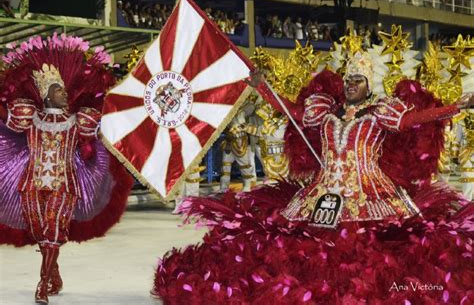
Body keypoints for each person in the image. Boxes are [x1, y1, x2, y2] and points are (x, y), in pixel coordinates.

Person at [152, 52, 474, 304]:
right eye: (349, 79)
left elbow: (414, 120)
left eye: (359, 79)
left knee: (370, 251)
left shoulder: (380, 114)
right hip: (322, 191)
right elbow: (289, 109)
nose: (351, 84)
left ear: (369, 85)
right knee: (304, 247)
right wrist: (261, 87)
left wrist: (453, 109)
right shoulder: (325, 111)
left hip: (370, 192)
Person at [0, 34, 133, 304]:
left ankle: (42, 283)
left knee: (54, 228)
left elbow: (103, 128)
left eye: (64, 90)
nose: (65, 94)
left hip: (64, 185)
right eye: (59, 91)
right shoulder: (29, 115)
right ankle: (54, 273)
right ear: (47, 94)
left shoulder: (78, 119)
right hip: (32, 184)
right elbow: (8, 122)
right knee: (41, 231)